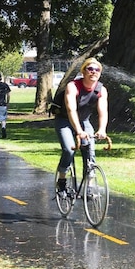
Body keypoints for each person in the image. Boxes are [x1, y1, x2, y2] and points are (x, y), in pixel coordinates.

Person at [54, 57, 108, 192]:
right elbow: (71, 110)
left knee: (90, 150)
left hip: (84, 121)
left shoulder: (101, 90)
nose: (93, 72)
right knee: (69, 149)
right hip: (64, 120)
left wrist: (102, 129)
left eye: (97, 70)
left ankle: (89, 187)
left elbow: (103, 111)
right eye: (90, 69)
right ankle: (62, 179)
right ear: (83, 71)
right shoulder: (73, 86)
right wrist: (78, 131)